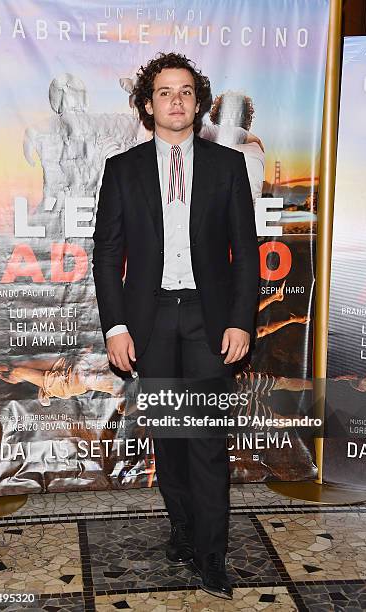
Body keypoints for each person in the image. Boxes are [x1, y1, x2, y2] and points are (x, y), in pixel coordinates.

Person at [93, 52, 259, 600]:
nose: (176, 100)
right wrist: (116, 326)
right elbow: (107, 253)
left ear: (198, 102)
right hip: (151, 320)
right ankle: (183, 529)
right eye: (165, 92)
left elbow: (247, 252)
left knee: (208, 441)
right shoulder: (122, 169)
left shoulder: (227, 166)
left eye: (186, 91)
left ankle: (213, 555)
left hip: (211, 323)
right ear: (148, 104)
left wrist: (240, 323)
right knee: (168, 439)